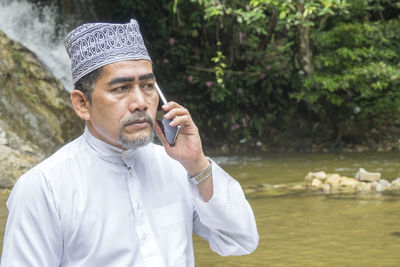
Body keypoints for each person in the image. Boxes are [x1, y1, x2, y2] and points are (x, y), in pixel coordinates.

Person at [1, 19, 258, 266]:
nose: (141, 103)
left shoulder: (177, 168)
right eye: (121, 89)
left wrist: (197, 164)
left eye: (147, 86)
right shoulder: (45, 188)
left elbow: (240, 240)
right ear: (82, 104)